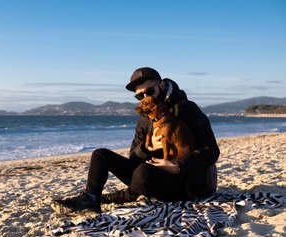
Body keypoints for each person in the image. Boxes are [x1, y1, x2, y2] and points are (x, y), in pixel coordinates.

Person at [51, 67, 220, 214]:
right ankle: (91, 199)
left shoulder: (186, 108)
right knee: (100, 155)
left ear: (161, 85)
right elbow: (133, 157)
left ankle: (121, 196)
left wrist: (178, 165)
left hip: (188, 180)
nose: (146, 98)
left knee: (143, 173)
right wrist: (148, 148)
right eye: (140, 96)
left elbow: (212, 151)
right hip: (153, 175)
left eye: (150, 91)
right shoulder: (145, 118)